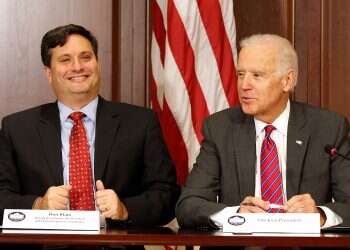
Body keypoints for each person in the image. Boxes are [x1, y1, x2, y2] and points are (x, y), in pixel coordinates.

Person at [0, 24, 179, 233]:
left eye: (86, 57)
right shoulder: (17, 128)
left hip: (114, 246)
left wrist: (125, 209)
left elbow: (167, 195)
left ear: (97, 64)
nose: (77, 67)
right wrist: (38, 206)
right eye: (65, 60)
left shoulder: (140, 122)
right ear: (49, 73)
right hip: (44, 245)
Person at [176, 34, 350, 231]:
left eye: (257, 75)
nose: (244, 85)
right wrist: (236, 215)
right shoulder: (220, 128)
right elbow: (188, 205)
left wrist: (319, 215)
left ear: (287, 81)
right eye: (241, 74)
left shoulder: (327, 128)